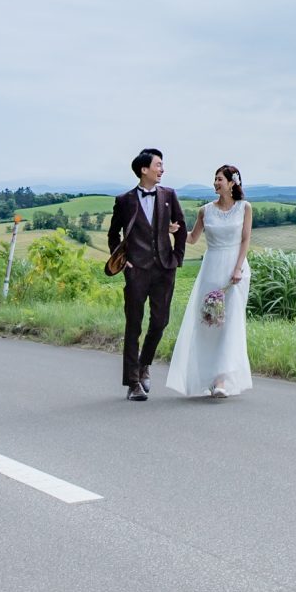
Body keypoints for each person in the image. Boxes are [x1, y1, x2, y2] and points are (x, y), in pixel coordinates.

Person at [105, 148, 186, 402]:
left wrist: (177, 258)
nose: (162, 169)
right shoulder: (124, 200)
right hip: (136, 271)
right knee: (133, 325)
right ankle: (133, 383)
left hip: (164, 269)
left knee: (160, 322)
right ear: (144, 169)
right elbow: (113, 235)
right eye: (158, 165)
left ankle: (144, 364)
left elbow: (181, 228)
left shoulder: (169, 195)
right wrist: (123, 260)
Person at [166, 163, 252, 399]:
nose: (215, 183)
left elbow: (245, 240)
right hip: (211, 269)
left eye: (220, 179)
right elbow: (193, 238)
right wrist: (176, 231)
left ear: (232, 183)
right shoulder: (205, 211)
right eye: (214, 179)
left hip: (235, 271)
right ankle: (207, 376)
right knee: (209, 323)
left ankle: (221, 379)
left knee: (230, 323)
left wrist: (237, 269)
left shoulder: (245, 208)